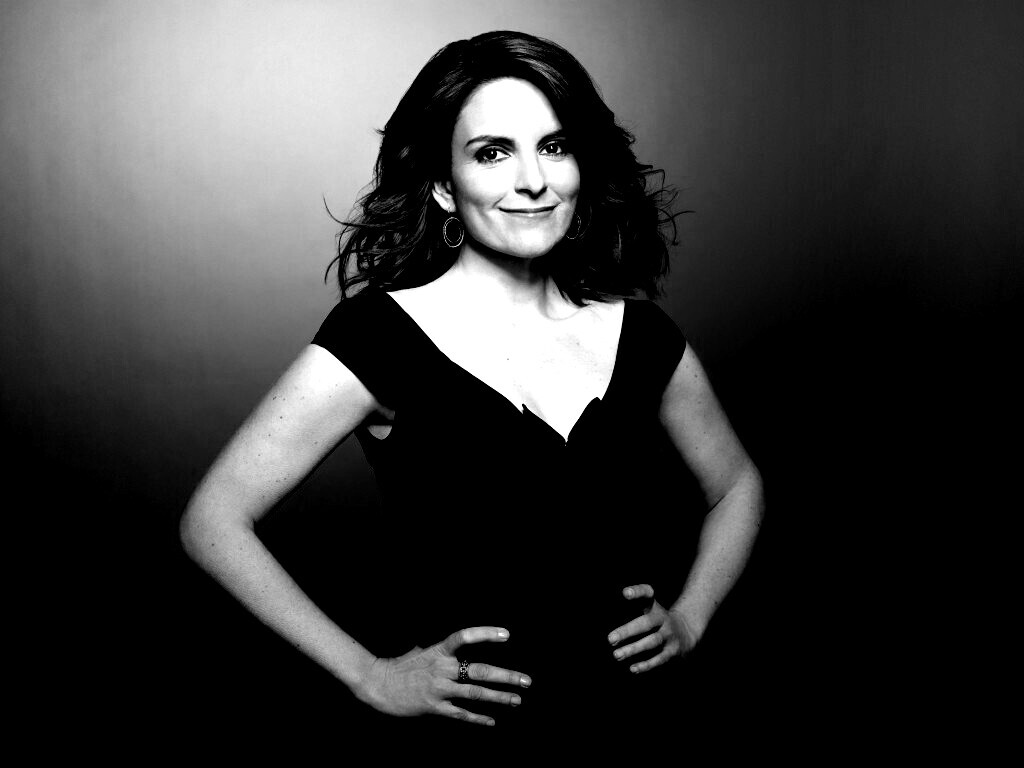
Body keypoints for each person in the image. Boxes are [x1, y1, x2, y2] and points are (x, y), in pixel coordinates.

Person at [180, 31, 763, 743]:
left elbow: (737, 485)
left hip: (643, 724)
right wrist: (368, 673)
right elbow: (214, 520)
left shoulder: (642, 335)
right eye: (492, 153)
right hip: (465, 740)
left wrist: (692, 618)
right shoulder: (379, 337)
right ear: (441, 183)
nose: (533, 180)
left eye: (554, 147)